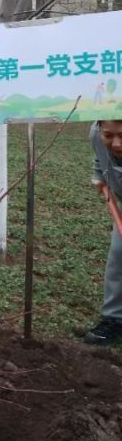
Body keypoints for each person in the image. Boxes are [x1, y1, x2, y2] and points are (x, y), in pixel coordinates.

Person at [84, 119, 122, 346]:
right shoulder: (95, 133)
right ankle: (114, 318)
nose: (116, 144)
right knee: (118, 256)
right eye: (109, 135)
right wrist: (99, 174)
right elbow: (101, 156)